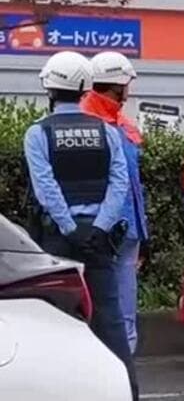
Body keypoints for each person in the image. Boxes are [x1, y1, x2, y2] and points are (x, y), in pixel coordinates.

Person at [23, 51, 139, 401]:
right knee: (110, 319)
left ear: (50, 88)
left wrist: (70, 228)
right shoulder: (107, 130)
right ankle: (128, 391)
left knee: (55, 319)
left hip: (59, 239)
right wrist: (99, 228)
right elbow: (120, 184)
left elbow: (46, 188)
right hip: (100, 239)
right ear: (83, 87)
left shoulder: (37, 133)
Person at [82, 51, 148, 355]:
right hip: (109, 230)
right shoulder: (103, 125)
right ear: (119, 85)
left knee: (120, 312)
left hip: (120, 231)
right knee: (114, 313)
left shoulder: (116, 122)